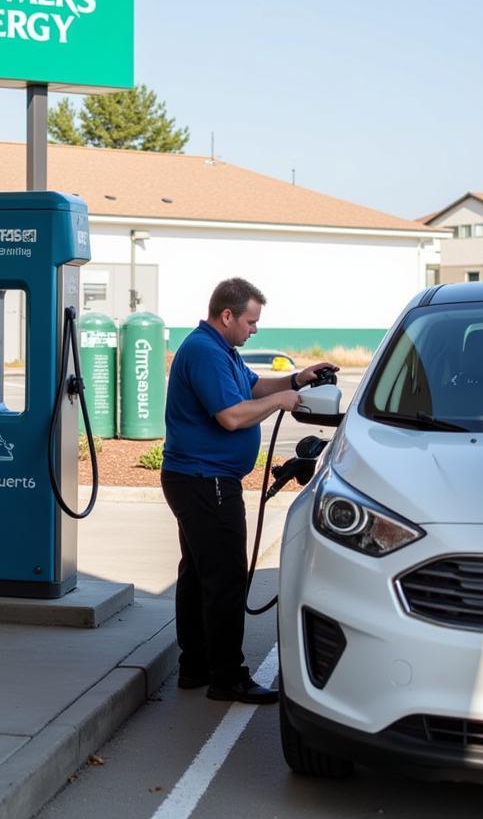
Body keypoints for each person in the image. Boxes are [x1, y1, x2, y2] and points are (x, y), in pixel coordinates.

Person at [161, 277, 338, 704]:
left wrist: (297, 380)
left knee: (199, 573)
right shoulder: (204, 352)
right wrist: (281, 404)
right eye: (250, 321)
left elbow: (255, 388)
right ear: (227, 316)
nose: (254, 329)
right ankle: (227, 678)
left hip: (200, 480)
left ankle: (196, 666)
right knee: (224, 578)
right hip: (206, 482)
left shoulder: (221, 351)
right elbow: (232, 416)